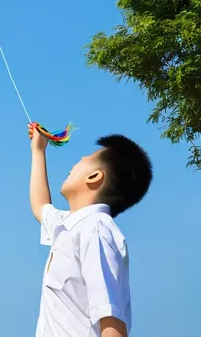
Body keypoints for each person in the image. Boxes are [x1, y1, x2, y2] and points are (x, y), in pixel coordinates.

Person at [29, 123, 153, 337]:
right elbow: (41, 207)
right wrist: (38, 150)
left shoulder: (95, 229)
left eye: (83, 160)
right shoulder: (70, 225)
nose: (76, 163)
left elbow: (112, 324)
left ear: (94, 176)